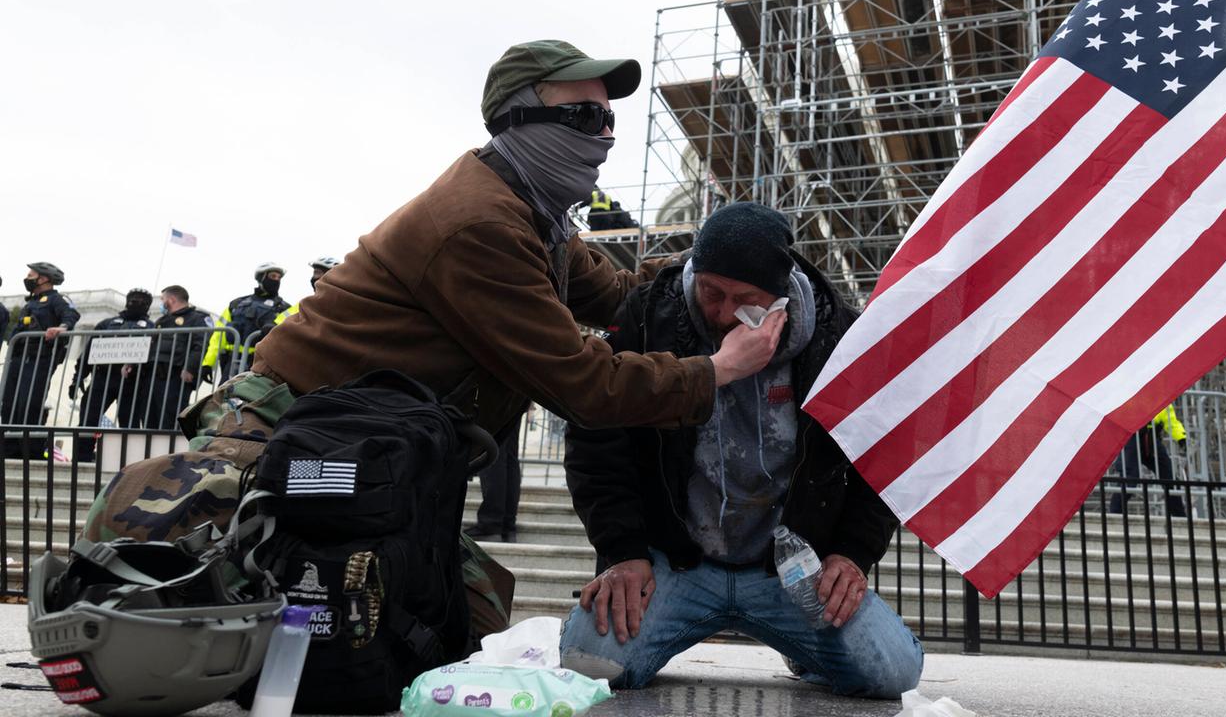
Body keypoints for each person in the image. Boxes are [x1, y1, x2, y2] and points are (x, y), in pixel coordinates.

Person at [85, 40, 783, 646]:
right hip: (292, 435)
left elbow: (620, 295)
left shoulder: (535, 216)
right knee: (346, 618)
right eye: (582, 115)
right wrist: (714, 371)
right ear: (517, 121)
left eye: (607, 117)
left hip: (371, 444)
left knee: (459, 616)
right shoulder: (479, 222)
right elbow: (582, 384)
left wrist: (716, 268)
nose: (603, 134)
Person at [559, 202, 922, 699]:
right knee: (589, 660)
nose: (725, 313)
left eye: (745, 299)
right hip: (679, 562)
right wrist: (623, 552)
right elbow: (596, 436)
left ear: (780, 294)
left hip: (788, 570)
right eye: (711, 292)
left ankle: (801, 646)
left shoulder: (838, 333)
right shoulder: (649, 314)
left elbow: (879, 451)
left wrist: (852, 554)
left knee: (892, 671)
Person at [1, 263, 80, 440]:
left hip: (38, 360)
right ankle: (8, 448)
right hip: (19, 359)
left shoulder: (56, 299)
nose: (27, 279)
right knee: (9, 405)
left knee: (28, 405)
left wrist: (62, 327)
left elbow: (71, 314)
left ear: (43, 279)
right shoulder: (31, 303)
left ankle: (29, 449)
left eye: (31, 275)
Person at [70, 289, 154, 449]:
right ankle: (82, 457)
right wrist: (78, 378)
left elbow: (151, 357)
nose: (137, 303)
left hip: (132, 383)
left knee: (129, 424)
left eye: (143, 301)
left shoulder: (151, 327)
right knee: (88, 419)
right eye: (134, 299)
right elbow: (88, 353)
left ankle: (132, 463)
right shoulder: (107, 324)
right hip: (102, 379)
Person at [202, 263, 290, 379]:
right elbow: (218, 336)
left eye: (279, 278)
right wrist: (208, 363)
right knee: (224, 395)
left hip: (259, 364)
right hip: (230, 362)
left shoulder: (285, 309)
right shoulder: (236, 304)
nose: (276, 280)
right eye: (273, 276)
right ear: (261, 278)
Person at [143, 285, 213, 430]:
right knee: (149, 419)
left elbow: (201, 345)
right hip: (153, 378)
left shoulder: (198, 318)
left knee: (169, 420)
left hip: (176, 377)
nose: (162, 303)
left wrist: (190, 368)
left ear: (172, 299)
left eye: (163, 299)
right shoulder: (162, 321)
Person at [1107, 405, 1188, 518]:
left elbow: (1171, 421)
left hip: (1151, 438)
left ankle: (1180, 517)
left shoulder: (1161, 395)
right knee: (1130, 476)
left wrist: (1181, 438)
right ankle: (1115, 514)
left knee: (1169, 477)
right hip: (1131, 436)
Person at [466, 413, 522, 542]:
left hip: (499, 397)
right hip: (520, 397)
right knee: (509, 454)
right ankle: (507, 526)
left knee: (492, 449)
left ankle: (491, 524)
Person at [273, 257, 340, 326]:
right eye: (314, 273)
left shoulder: (341, 303)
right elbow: (280, 321)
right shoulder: (306, 303)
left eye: (317, 273)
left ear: (330, 276)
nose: (314, 277)